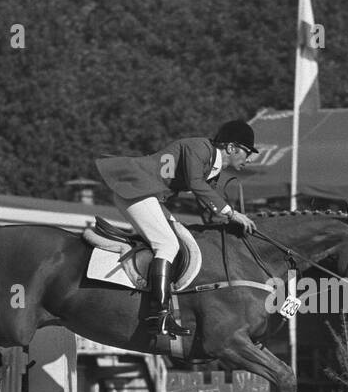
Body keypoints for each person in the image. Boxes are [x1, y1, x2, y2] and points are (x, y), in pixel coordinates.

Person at [95, 120, 258, 337]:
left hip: (149, 195)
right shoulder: (198, 149)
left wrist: (227, 222)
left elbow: (207, 202)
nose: (249, 159)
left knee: (182, 237)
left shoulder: (214, 167)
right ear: (230, 147)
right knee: (168, 244)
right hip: (136, 189)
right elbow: (196, 184)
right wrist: (231, 212)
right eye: (247, 153)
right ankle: (159, 314)